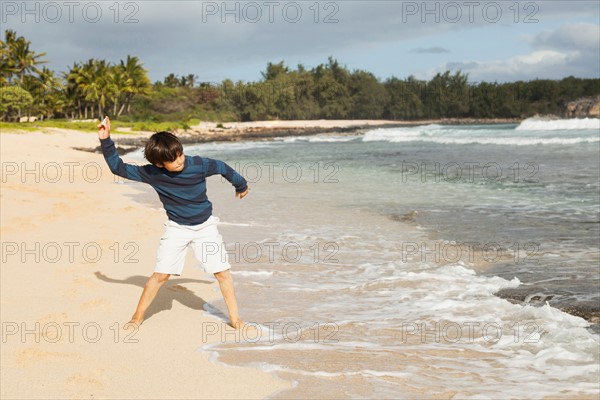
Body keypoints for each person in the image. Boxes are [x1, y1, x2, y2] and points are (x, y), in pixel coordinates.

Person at [97, 116, 250, 329]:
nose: (180, 160)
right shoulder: (151, 173)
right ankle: (137, 318)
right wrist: (106, 139)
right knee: (161, 275)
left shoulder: (198, 164)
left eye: (180, 154)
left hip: (205, 227)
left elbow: (222, 167)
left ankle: (235, 320)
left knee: (222, 272)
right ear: (159, 164)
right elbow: (118, 167)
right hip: (177, 229)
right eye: (174, 159)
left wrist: (240, 185)